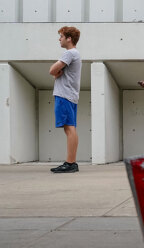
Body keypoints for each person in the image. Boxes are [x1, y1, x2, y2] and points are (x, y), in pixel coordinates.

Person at [49, 26, 82, 173]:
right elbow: (56, 72)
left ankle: (70, 163)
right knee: (71, 128)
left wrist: (55, 73)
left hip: (64, 95)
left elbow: (51, 70)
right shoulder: (75, 54)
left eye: (61, 36)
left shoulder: (69, 53)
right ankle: (71, 162)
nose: (59, 39)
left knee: (69, 129)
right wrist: (56, 73)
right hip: (71, 95)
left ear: (69, 38)